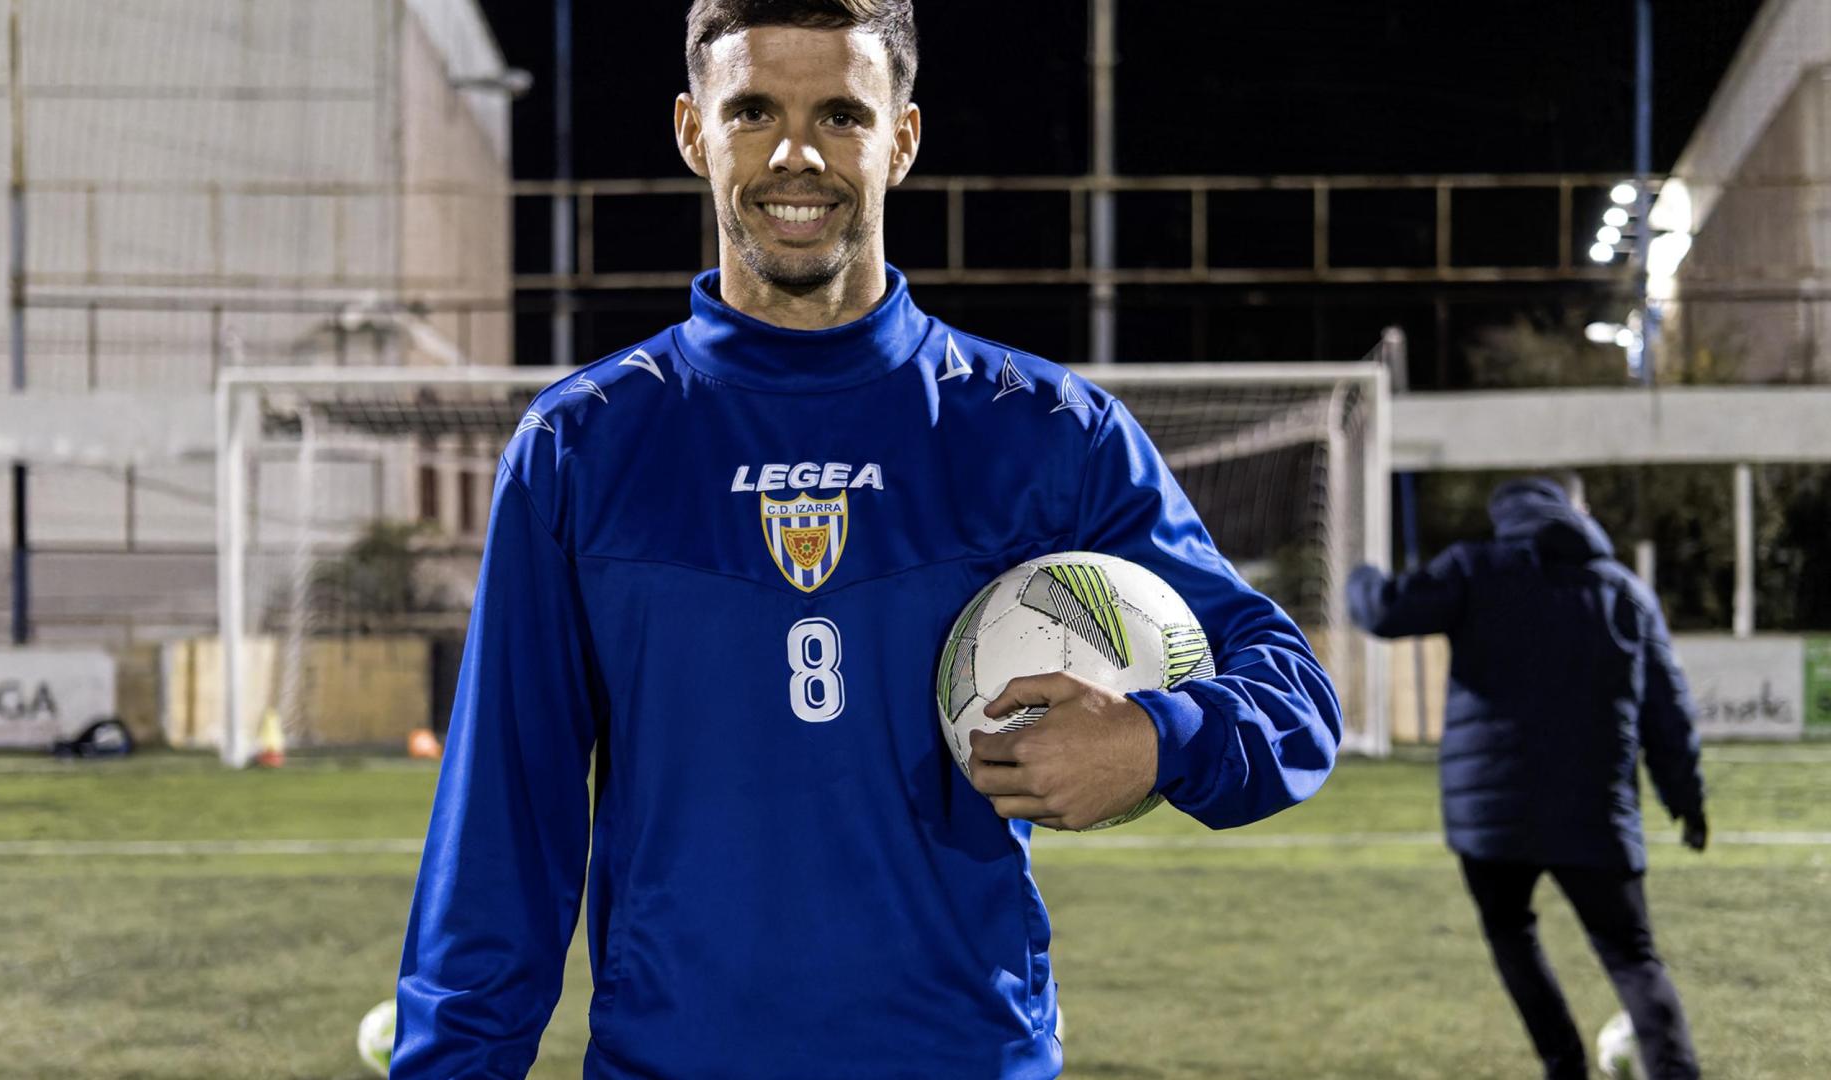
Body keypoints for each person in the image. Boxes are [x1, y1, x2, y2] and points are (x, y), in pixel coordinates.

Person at [394, 3, 1343, 1076]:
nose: (796, 154)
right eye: (753, 109)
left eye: (842, 114)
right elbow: (503, 833)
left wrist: (1160, 739)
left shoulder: (1040, 434)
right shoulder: (585, 447)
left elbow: (1295, 698)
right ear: (692, 131)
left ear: (903, 138)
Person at [1347, 477, 1706, 1080]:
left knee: (1511, 931)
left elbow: (1384, 610)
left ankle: (1562, 1065)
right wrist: (1686, 801)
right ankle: (1675, 1072)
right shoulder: (1622, 592)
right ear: (1577, 510)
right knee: (1631, 956)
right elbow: (1668, 710)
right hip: (1595, 811)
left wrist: (1356, 574)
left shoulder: (1474, 569)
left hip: (1491, 820)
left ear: (1504, 518)